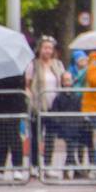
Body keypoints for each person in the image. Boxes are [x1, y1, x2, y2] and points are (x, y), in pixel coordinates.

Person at [25, 36, 66, 174]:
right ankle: (34, 165)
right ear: (40, 49)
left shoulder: (58, 64)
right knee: (36, 136)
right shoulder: (33, 65)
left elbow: (63, 80)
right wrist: (30, 96)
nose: (47, 51)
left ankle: (48, 164)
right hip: (37, 105)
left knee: (50, 136)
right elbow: (28, 84)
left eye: (50, 48)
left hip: (53, 105)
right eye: (45, 48)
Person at [0, 73, 27, 179]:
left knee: (14, 138)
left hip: (12, 107)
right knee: (0, 139)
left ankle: (17, 168)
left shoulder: (17, 71)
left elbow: (19, 84)